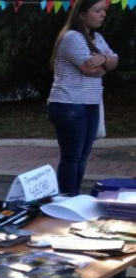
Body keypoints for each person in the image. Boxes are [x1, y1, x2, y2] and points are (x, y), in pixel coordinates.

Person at [48, 0, 118, 195]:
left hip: (90, 104)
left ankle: (74, 197)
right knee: (72, 156)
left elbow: (115, 60)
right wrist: (106, 65)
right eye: (97, 10)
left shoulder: (97, 37)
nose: (103, 14)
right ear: (82, 14)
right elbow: (88, 69)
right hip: (69, 105)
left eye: (103, 10)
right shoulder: (73, 37)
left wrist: (103, 60)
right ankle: (67, 200)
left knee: (82, 157)